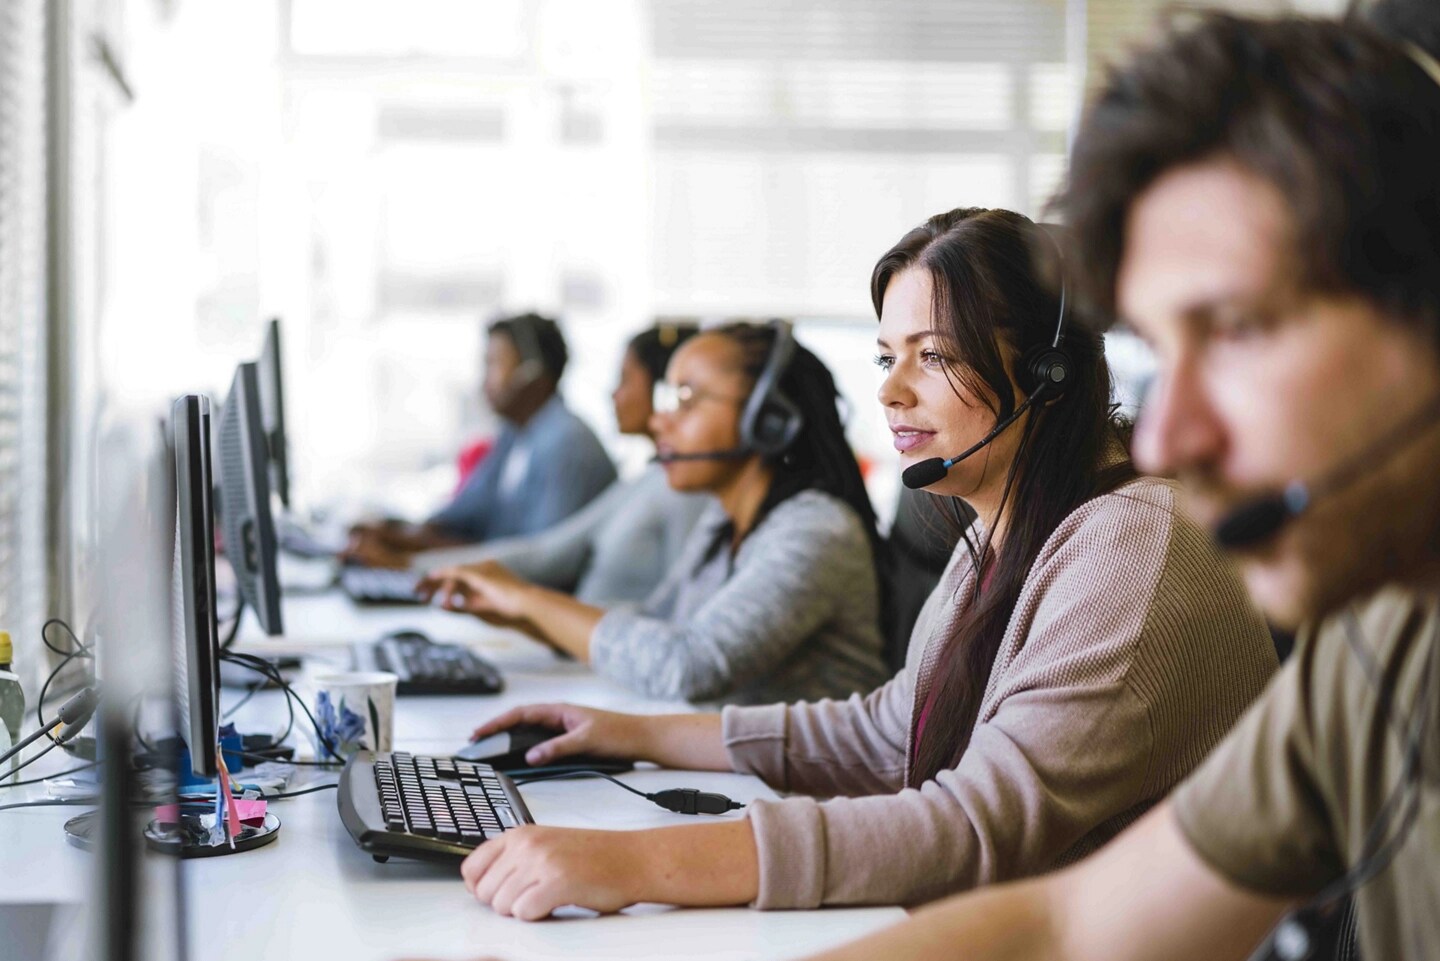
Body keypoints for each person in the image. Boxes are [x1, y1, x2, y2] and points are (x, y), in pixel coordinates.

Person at [793, 12, 1440, 961]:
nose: (1170, 431)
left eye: (1237, 328)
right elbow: (1071, 922)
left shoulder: (1141, 541)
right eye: (1163, 349)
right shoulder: (1378, 641)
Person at [446, 208, 1278, 922]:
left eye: (935, 355)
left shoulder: (1132, 543)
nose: (890, 391)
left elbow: (973, 826)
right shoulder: (1004, 527)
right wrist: (633, 733)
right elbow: (889, 731)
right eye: (888, 357)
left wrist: (635, 867)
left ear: (1046, 373)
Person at [421, 320, 891, 705]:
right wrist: (518, 614)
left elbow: (689, 665)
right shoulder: (724, 521)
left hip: (804, 800)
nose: (659, 420)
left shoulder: (815, 531)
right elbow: (656, 619)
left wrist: (528, 599)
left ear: (768, 420)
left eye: (686, 400)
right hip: (738, 780)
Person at [409, 324, 709, 605]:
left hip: (588, 648)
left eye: (625, 380)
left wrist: (415, 563)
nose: (612, 393)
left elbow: (548, 562)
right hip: (580, 642)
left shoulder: (571, 444)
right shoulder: (647, 477)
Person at [344, 312, 616, 568]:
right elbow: (461, 517)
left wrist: (409, 563)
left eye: (493, 364)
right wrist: (393, 534)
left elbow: (538, 562)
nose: (484, 380)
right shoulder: (515, 435)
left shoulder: (567, 443)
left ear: (532, 372)